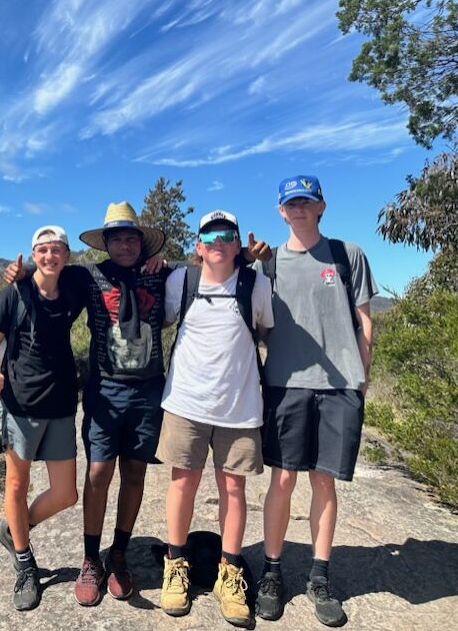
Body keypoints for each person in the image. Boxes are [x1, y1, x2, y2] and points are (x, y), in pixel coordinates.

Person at [4, 202, 271, 607]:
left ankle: (120, 553)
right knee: (97, 474)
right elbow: (49, 277)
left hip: (148, 392)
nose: (125, 245)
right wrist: (20, 273)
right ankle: (91, 559)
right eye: (117, 238)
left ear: (141, 243)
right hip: (104, 391)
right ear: (106, 242)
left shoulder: (163, 273)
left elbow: (208, 267)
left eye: (132, 238)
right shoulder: (87, 275)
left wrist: (245, 256)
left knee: (134, 473)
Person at [254, 175, 377, 627]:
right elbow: (263, 327)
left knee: (324, 482)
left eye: (307, 201)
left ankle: (319, 577)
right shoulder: (269, 265)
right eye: (292, 203)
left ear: (321, 206)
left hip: (339, 385)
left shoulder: (347, 255)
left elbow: (364, 320)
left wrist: (362, 375)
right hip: (285, 383)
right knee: (283, 480)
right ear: (281, 210)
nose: (300, 209)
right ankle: (271, 573)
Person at [156, 210, 273, 627]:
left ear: (238, 244)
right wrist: (156, 264)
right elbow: (162, 317)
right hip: (186, 402)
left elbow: (267, 333)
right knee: (182, 482)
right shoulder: (179, 282)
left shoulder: (256, 284)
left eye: (228, 234)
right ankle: (175, 565)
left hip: (239, 408)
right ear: (199, 245)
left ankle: (230, 570)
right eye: (210, 234)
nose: (219, 240)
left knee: (234, 488)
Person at [0, 225, 85, 611]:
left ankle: (12, 529)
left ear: (67, 255)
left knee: (65, 494)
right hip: (19, 404)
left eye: (56, 249)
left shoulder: (74, 285)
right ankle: (25, 563)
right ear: (33, 254)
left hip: (59, 404)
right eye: (42, 250)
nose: (49, 256)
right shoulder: (15, 293)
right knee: (17, 483)